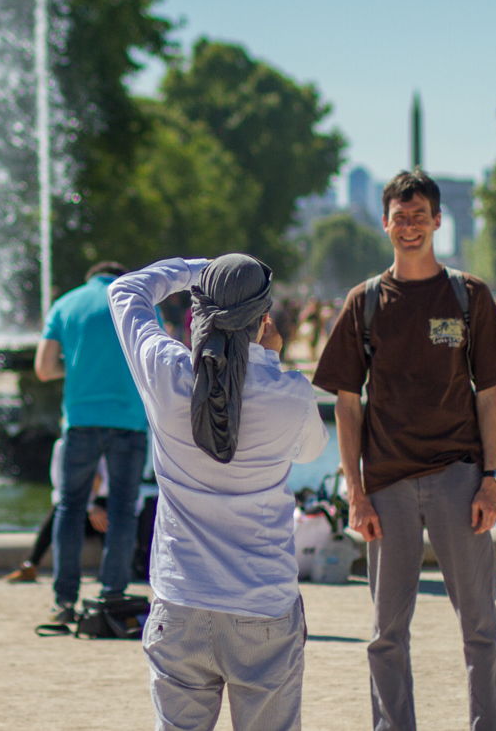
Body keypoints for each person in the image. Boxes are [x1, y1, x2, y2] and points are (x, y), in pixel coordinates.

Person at [314, 171, 496, 731]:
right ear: (386, 224)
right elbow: (347, 405)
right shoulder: (364, 302)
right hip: (387, 485)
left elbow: (490, 396)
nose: (410, 227)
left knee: (480, 624)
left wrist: (491, 479)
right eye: (400, 217)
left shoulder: (469, 295)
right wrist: (355, 494)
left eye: (419, 216)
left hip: (459, 477)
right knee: (386, 633)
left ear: (437, 220)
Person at [110, 252, 326, 731]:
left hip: (181, 601)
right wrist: (269, 359)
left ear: (199, 310)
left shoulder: (166, 372)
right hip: (262, 604)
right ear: (264, 318)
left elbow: (124, 290)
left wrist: (196, 269)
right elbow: (311, 451)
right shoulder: (290, 394)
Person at [33, 260, 150, 626]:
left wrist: (76, 369)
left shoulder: (65, 304)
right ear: (123, 278)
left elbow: (44, 368)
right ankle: (112, 595)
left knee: (69, 507)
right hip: (129, 421)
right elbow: (156, 360)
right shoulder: (138, 301)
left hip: (80, 419)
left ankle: (63, 601)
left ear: (91, 278)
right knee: (123, 509)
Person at [4, 435, 109, 584]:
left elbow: (108, 487)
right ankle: (31, 564)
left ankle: (114, 569)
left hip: (101, 509)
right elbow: (59, 487)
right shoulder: (63, 445)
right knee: (59, 510)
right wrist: (90, 507)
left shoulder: (107, 443)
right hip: (77, 508)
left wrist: (93, 488)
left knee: (109, 513)